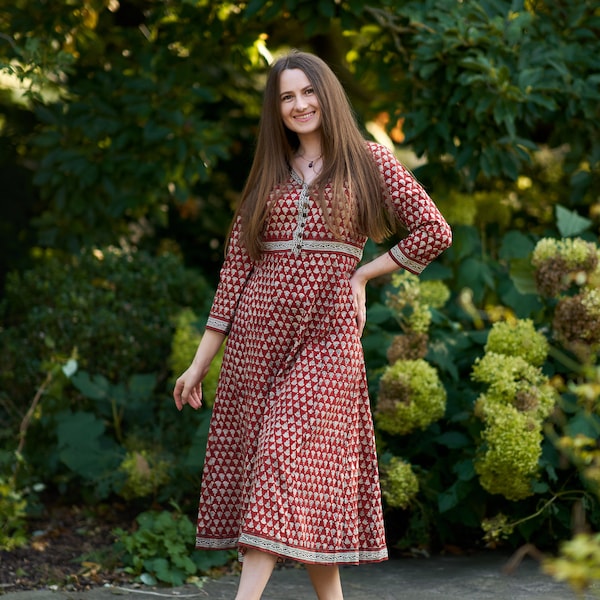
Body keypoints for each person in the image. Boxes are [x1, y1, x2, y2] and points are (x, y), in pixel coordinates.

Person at [173, 50, 452, 600]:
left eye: (308, 92)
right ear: (275, 110)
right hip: (257, 343)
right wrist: (200, 362)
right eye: (286, 97)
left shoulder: (370, 162)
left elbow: (433, 230)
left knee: (280, 461)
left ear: (328, 95)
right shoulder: (268, 176)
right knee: (306, 495)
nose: (299, 104)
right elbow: (235, 274)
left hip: (328, 342)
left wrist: (363, 275)